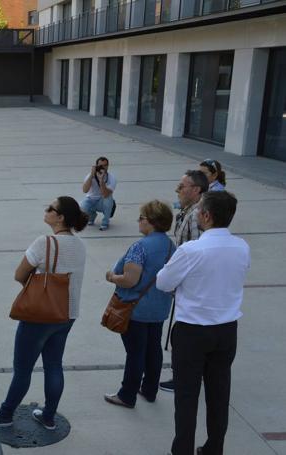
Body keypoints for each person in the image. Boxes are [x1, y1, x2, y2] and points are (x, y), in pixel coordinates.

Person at [157, 191, 249, 455]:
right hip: (227, 330)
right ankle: (214, 448)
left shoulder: (191, 250)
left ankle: (182, 449)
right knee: (219, 393)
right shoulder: (241, 246)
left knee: (186, 396)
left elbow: (163, 283)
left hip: (192, 332)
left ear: (206, 216)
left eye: (199, 211)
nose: (196, 214)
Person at [0, 197, 88, 430]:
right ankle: (48, 416)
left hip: (39, 316)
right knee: (54, 365)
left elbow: (19, 274)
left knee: (23, 368)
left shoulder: (44, 243)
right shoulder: (80, 246)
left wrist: (36, 290)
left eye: (51, 208)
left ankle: (5, 414)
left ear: (61, 217)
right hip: (67, 313)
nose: (46, 210)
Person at [103, 200, 175, 408]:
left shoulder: (140, 247)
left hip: (136, 308)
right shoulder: (171, 245)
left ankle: (127, 394)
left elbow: (129, 280)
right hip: (159, 307)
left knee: (135, 352)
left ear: (151, 221)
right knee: (154, 349)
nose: (139, 221)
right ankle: (150, 389)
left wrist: (111, 277)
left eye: (141, 217)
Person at [159, 170, 209, 393]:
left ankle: (186, 378)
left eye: (182, 186)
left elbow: (199, 254)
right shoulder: (188, 211)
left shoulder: (198, 215)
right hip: (185, 284)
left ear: (197, 190)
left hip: (191, 287)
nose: (177, 190)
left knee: (186, 335)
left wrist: (179, 280)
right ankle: (187, 375)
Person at [80, 157, 117, 231]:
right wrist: (91, 175)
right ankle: (92, 216)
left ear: (108, 166)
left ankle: (105, 222)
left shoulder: (111, 178)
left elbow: (106, 194)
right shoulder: (90, 175)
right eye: (101, 165)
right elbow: (85, 190)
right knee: (82, 208)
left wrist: (101, 180)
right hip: (91, 200)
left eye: (105, 165)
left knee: (108, 198)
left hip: (103, 202)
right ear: (96, 166)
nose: (103, 167)